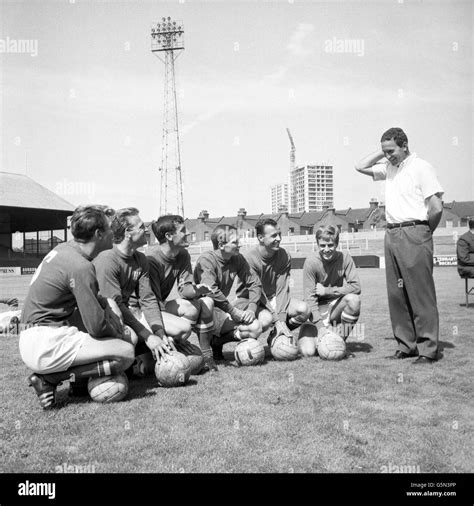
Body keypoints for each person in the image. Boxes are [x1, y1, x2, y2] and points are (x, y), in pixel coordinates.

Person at [19, 205, 135, 409]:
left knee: (107, 337)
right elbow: (97, 327)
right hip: (45, 342)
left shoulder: (63, 249)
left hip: (34, 336)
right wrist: (116, 330)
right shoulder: (80, 266)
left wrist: (106, 304)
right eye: (110, 229)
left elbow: (88, 300)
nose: (113, 233)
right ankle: (50, 380)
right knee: (125, 353)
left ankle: (77, 383)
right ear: (99, 234)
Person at [355, 127, 444, 364]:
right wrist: (382, 151)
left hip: (415, 230)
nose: (388, 156)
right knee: (397, 294)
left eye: (391, 150)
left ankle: (428, 349)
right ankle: (407, 345)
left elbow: (436, 207)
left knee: (420, 294)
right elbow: (359, 166)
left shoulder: (421, 167)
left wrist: (424, 231)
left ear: (405, 145)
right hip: (392, 233)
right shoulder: (389, 168)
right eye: (385, 152)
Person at [93, 208, 176, 378]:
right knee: (132, 338)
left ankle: (139, 359)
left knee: (178, 331)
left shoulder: (141, 259)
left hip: (124, 313)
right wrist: (147, 335)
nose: (146, 229)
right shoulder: (107, 259)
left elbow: (148, 299)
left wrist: (159, 332)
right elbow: (114, 307)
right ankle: (108, 367)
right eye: (141, 226)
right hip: (103, 317)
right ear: (128, 233)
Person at [145, 215, 217, 371]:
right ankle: (163, 350)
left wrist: (197, 290)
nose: (188, 233)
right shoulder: (152, 260)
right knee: (182, 328)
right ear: (169, 236)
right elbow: (151, 302)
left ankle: (206, 354)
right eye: (183, 230)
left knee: (201, 304)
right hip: (143, 310)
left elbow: (185, 289)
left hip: (158, 306)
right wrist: (173, 332)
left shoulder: (182, 254)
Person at [193, 225, 263, 361]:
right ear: (221, 245)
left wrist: (252, 308)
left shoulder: (237, 259)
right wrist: (233, 311)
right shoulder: (206, 259)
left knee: (256, 328)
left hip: (221, 309)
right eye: (235, 242)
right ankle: (206, 346)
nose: (240, 245)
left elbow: (254, 283)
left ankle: (217, 342)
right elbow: (210, 291)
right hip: (201, 311)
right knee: (208, 302)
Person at [236, 218, 310, 345]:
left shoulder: (284, 255)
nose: (279, 239)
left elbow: (282, 289)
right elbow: (257, 290)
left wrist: (281, 320)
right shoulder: (249, 258)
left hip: (271, 298)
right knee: (265, 320)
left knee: (304, 310)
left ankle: (276, 334)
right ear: (260, 238)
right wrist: (277, 320)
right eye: (274, 235)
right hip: (249, 300)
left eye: (279, 234)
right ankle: (226, 342)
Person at [302, 225, 361, 354]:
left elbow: (356, 287)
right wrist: (320, 326)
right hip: (315, 309)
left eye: (330, 245)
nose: (326, 249)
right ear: (317, 244)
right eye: (322, 245)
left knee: (354, 300)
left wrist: (327, 291)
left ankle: (339, 342)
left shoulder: (345, 257)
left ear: (337, 243)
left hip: (335, 308)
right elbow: (309, 298)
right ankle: (317, 334)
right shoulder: (311, 261)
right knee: (308, 352)